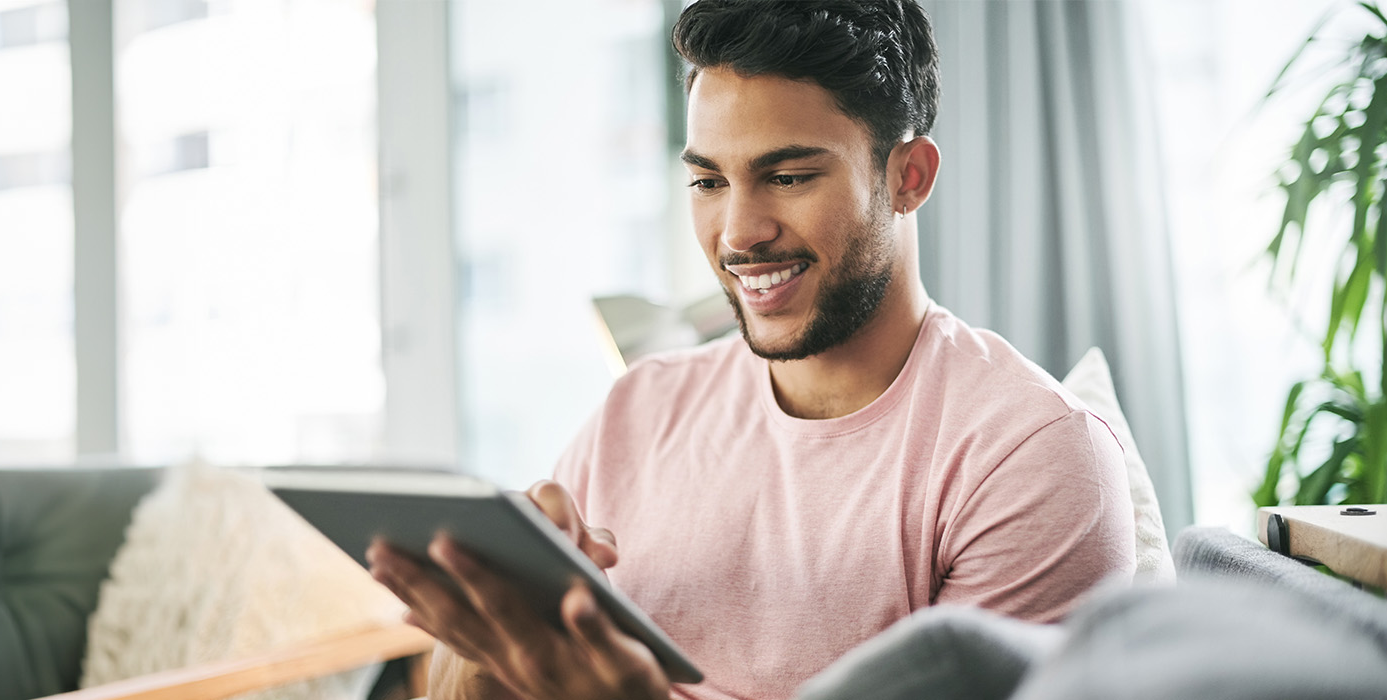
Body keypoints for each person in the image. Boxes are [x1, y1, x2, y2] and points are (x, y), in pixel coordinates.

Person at [367, 1, 1135, 698]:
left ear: (909, 176)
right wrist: (499, 637)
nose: (738, 233)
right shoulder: (638, 410)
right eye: (708, 183)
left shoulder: (1031, 457)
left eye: (788, 175)